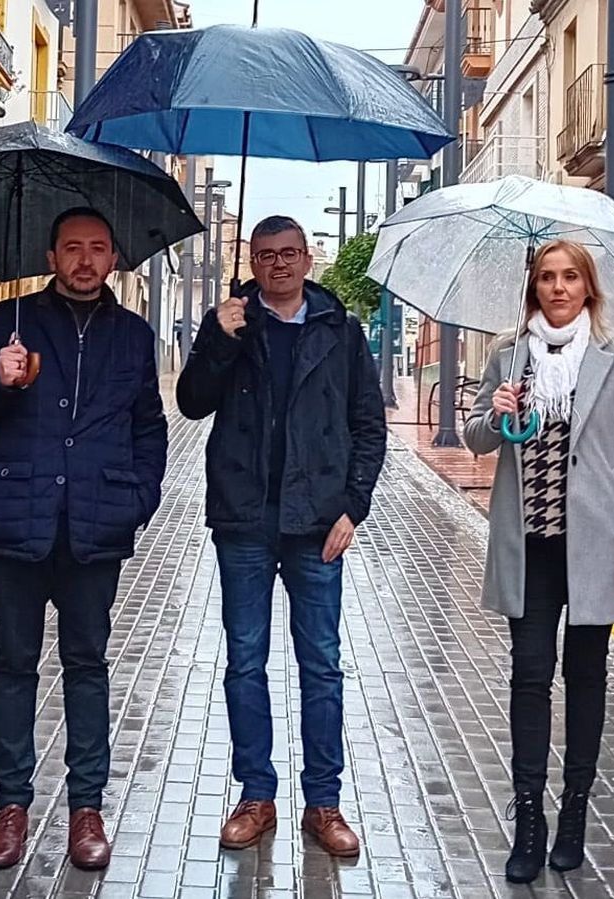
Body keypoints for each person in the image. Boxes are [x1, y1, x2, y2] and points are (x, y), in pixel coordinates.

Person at [0, 208, 168, 872]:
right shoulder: (6, 322)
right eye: (72, 247)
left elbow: (149, 427)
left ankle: (86, 807)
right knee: (13, 665)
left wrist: (137, 499)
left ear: (113, 260)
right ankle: (11, 806)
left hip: (95, 527)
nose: (84, 259)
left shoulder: (133, 335)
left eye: (97, 248)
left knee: (87, 665)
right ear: (51, 255)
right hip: (19, 522)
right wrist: (0, 384)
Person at [175, 215, 386, 858]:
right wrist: (217, 338)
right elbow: (190, 402)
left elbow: (368, 427)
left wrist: (353, 507)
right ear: (253, 259)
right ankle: (256, 795)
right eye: (266, 255)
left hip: (317, 525)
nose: (279, 265)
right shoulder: (234, 322)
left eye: (290, 253)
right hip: (244, 519)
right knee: (244, 662)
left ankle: (323, 802)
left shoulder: (341, 331)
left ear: (308, 257)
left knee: (321, 663)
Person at [460, 240, 614, 884]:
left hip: (596, 545)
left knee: (586, 675)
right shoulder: (507, 355)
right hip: (531, 546)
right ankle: (528, 821)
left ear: (588, 288)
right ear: (533, 288)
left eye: (570, 277)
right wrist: (495, 412)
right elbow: (475, 440)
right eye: (547, 277)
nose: (558, 287)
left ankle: (573, 815)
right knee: (529, 675)